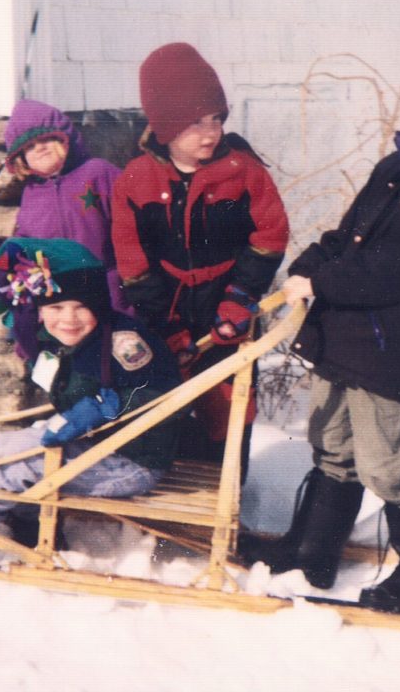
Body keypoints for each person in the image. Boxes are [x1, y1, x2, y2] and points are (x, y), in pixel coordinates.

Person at [239, 51, 400, 613]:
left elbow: (392, 274)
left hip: (390, 348)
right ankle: (314, 551)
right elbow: (349, 237)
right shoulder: (396, 167)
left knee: (384, 460)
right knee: (330, 440)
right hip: (345, 332)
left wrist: (321, 284)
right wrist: (308, 264)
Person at [0, 237, 181, 556]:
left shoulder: (123, 342)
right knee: (3, 445)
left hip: (133, 461)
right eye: (56, 307)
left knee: (25, 464)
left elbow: (160, 392)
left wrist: (108, 407)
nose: (68, 319)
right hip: (97, 445)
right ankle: (14, 514)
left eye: (80, 307)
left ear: (99, 306)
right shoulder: (64, 340)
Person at [111, 43, 289, 477]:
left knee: (229, 406)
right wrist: (164, 325)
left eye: (216, 119)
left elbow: (270, 235)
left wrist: (239, 301)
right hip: (166, 306)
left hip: (227, 302)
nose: (210, 132)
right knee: (162, 404)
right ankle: (165, 493)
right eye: (195, 122)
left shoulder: (244, 171)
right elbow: (131, 256)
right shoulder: (136, 178)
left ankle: (226, 498)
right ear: (165, 126)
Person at [0, 99, 128, 363]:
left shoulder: (97, 172)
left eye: (46, 140)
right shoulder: (32, 195)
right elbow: (28, 250)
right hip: (59, 295)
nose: (39, 148)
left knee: (118, 347)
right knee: (72, 356)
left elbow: (130, 220)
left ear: (66, 140)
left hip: (106, 283)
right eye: (29, 146)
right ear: (20, 160)